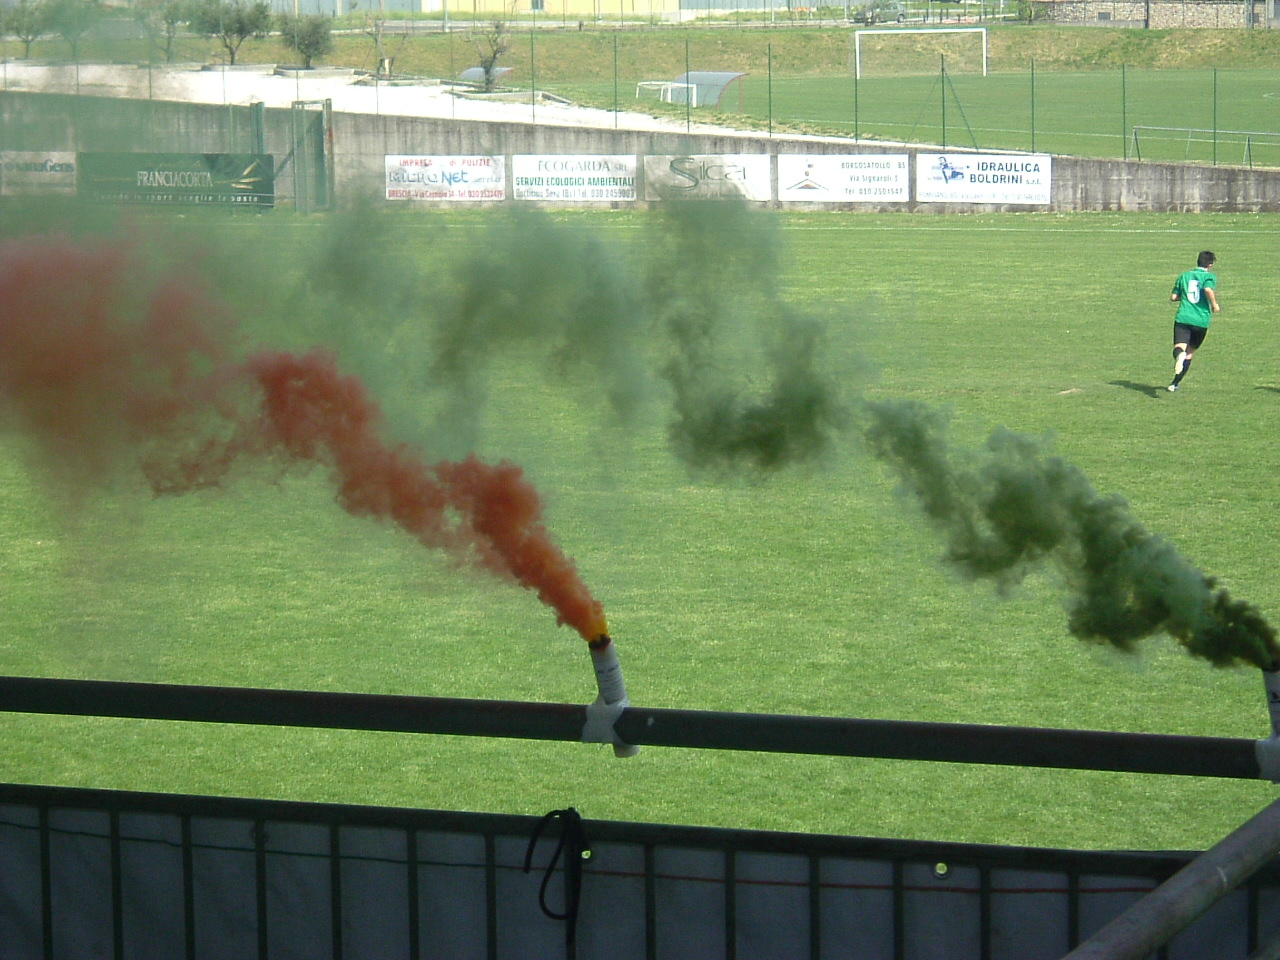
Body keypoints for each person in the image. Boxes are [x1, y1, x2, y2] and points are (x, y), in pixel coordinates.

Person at [1167, 251, 1220, 393]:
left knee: (1179, 348)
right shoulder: (1209, 276)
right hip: (1201, 321)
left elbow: (1173, 297)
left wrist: (1185, 297)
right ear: (1210, 264)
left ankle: (1179, 355)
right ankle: (1174, 384)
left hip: (1183, 317)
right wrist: (1214, 305)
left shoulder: (1184, 276)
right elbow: (1208, 289)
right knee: (1190, 352)